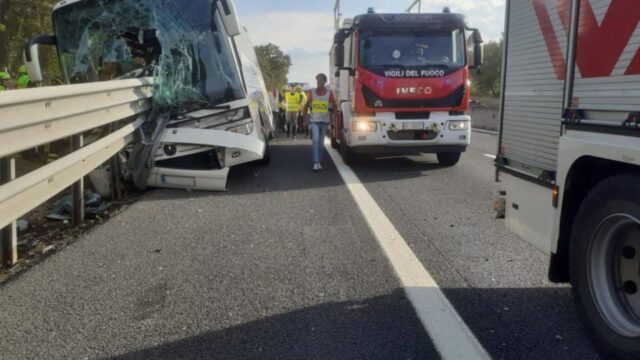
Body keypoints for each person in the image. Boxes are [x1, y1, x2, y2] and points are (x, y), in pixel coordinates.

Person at [303, 73, 337, 171]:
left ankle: (319, 161)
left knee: (321, 143)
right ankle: (316, 162)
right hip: (314, 121)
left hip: (325, 121)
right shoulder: (312, 92)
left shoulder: (329, 93)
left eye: (320, 80)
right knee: (316, 140)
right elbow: (305, 106)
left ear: (324, 81)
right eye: (317, 80)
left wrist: (333, 119)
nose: (318, 82)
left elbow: (334, 106)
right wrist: (305, 120)